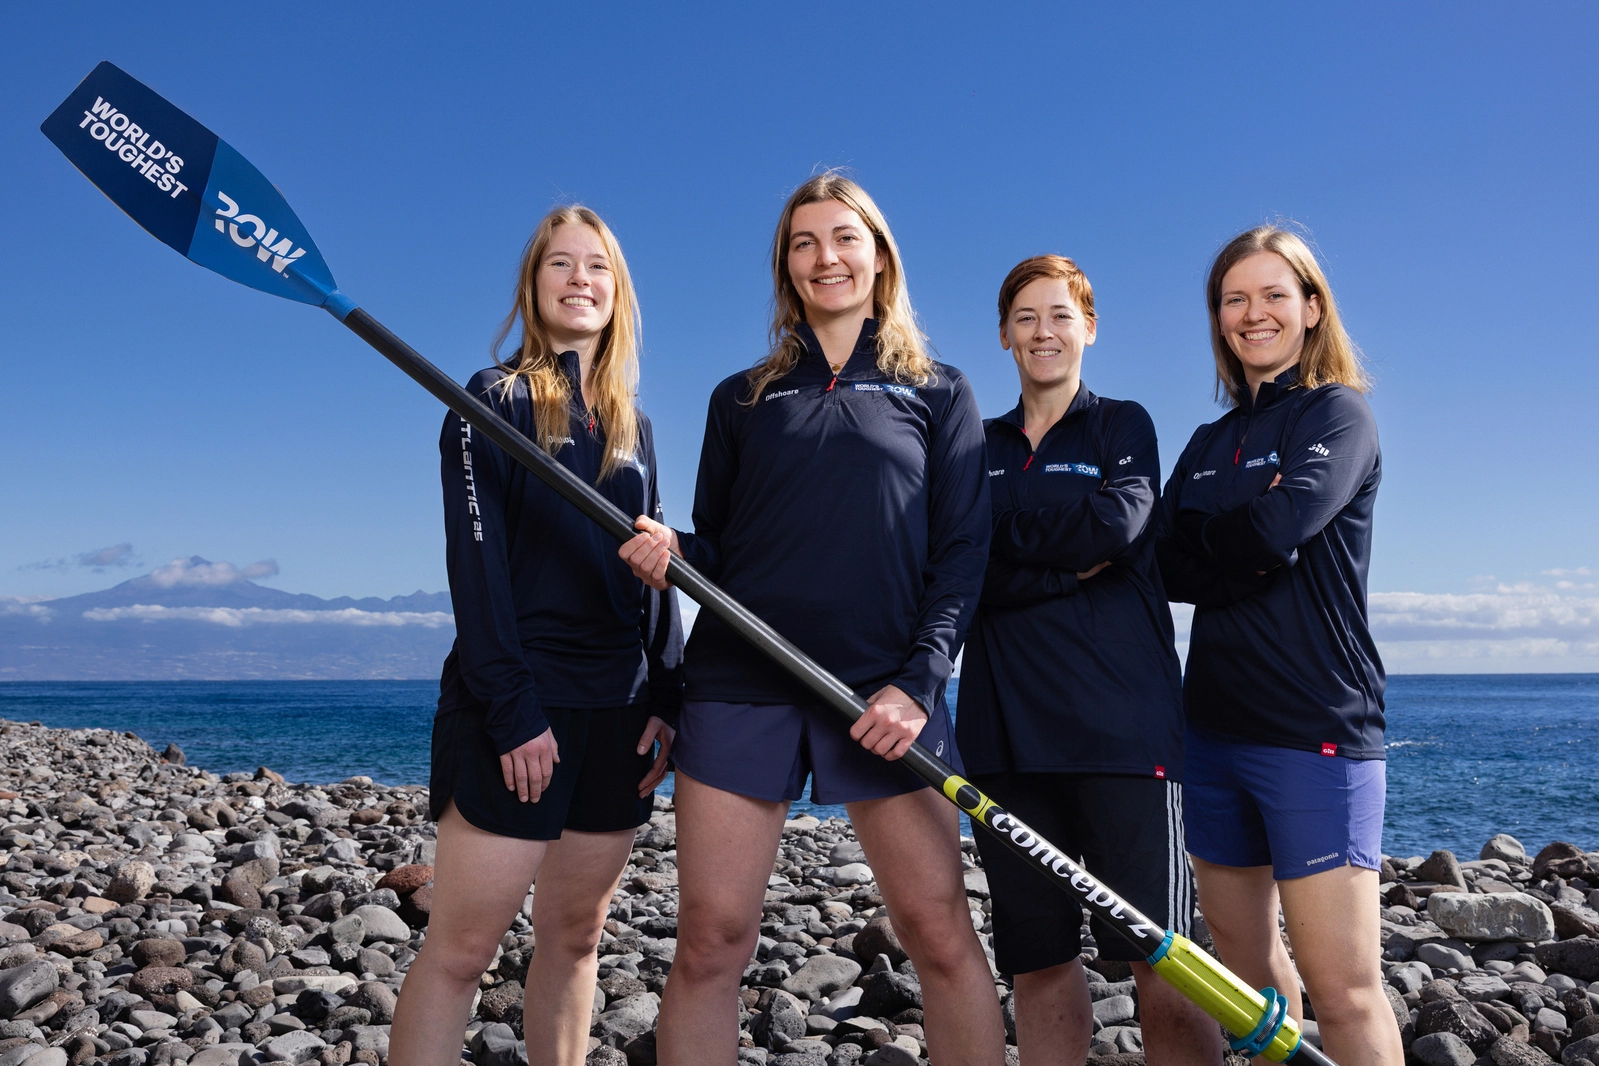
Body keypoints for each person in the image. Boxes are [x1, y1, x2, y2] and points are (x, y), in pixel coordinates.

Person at [618, 172, 1005, 1066]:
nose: (825, 257)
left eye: (843, 238)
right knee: (711, 941)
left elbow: (960, 558)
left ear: (878, 257)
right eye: (803, 243)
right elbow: (716, 547)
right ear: (786, 267)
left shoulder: (938, 392)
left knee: (940, 936)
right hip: (740, 684)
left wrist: (917, 684)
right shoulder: (741, 396)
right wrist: (667, 548)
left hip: (882, 695)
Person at [390, 205, 683, 1066]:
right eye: (561, 264)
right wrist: (513, 709)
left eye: (597, 266)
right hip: (518, 708)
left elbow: (654, 567)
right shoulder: (489, 401)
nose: (580, 279)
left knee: (577, 940)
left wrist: (666, 695)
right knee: (461, 954)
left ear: (617, 290)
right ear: (534, 285)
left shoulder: (635, 424)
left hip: (618, 712)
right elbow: (474, 570)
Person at [958, 255, 1224, 1065]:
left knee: (1164, 959)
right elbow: (954, 564)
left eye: (1060, 315)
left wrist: (1000, 563)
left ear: (1089, 328)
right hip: (1006, 740)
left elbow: (1116, 527)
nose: (1044, 332)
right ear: (1004, 334)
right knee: (1037, 964)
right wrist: (1049, 565)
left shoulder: (1123, 426)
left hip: (1121, 734)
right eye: (1027, 317)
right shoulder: (972, 446)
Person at [1155, 226, 1398, 1066]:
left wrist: (1247, 535)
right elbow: (1168, 563)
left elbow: (1285, 521)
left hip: (1315, 728)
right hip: (1213, 730)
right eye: (1233, 299)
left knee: (1344, 991)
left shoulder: (1339, 412)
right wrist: (1251, 541)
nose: (1251, 314)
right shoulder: (1205, 442)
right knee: (1251, 977)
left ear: (1310, 307)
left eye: (1271, 295)